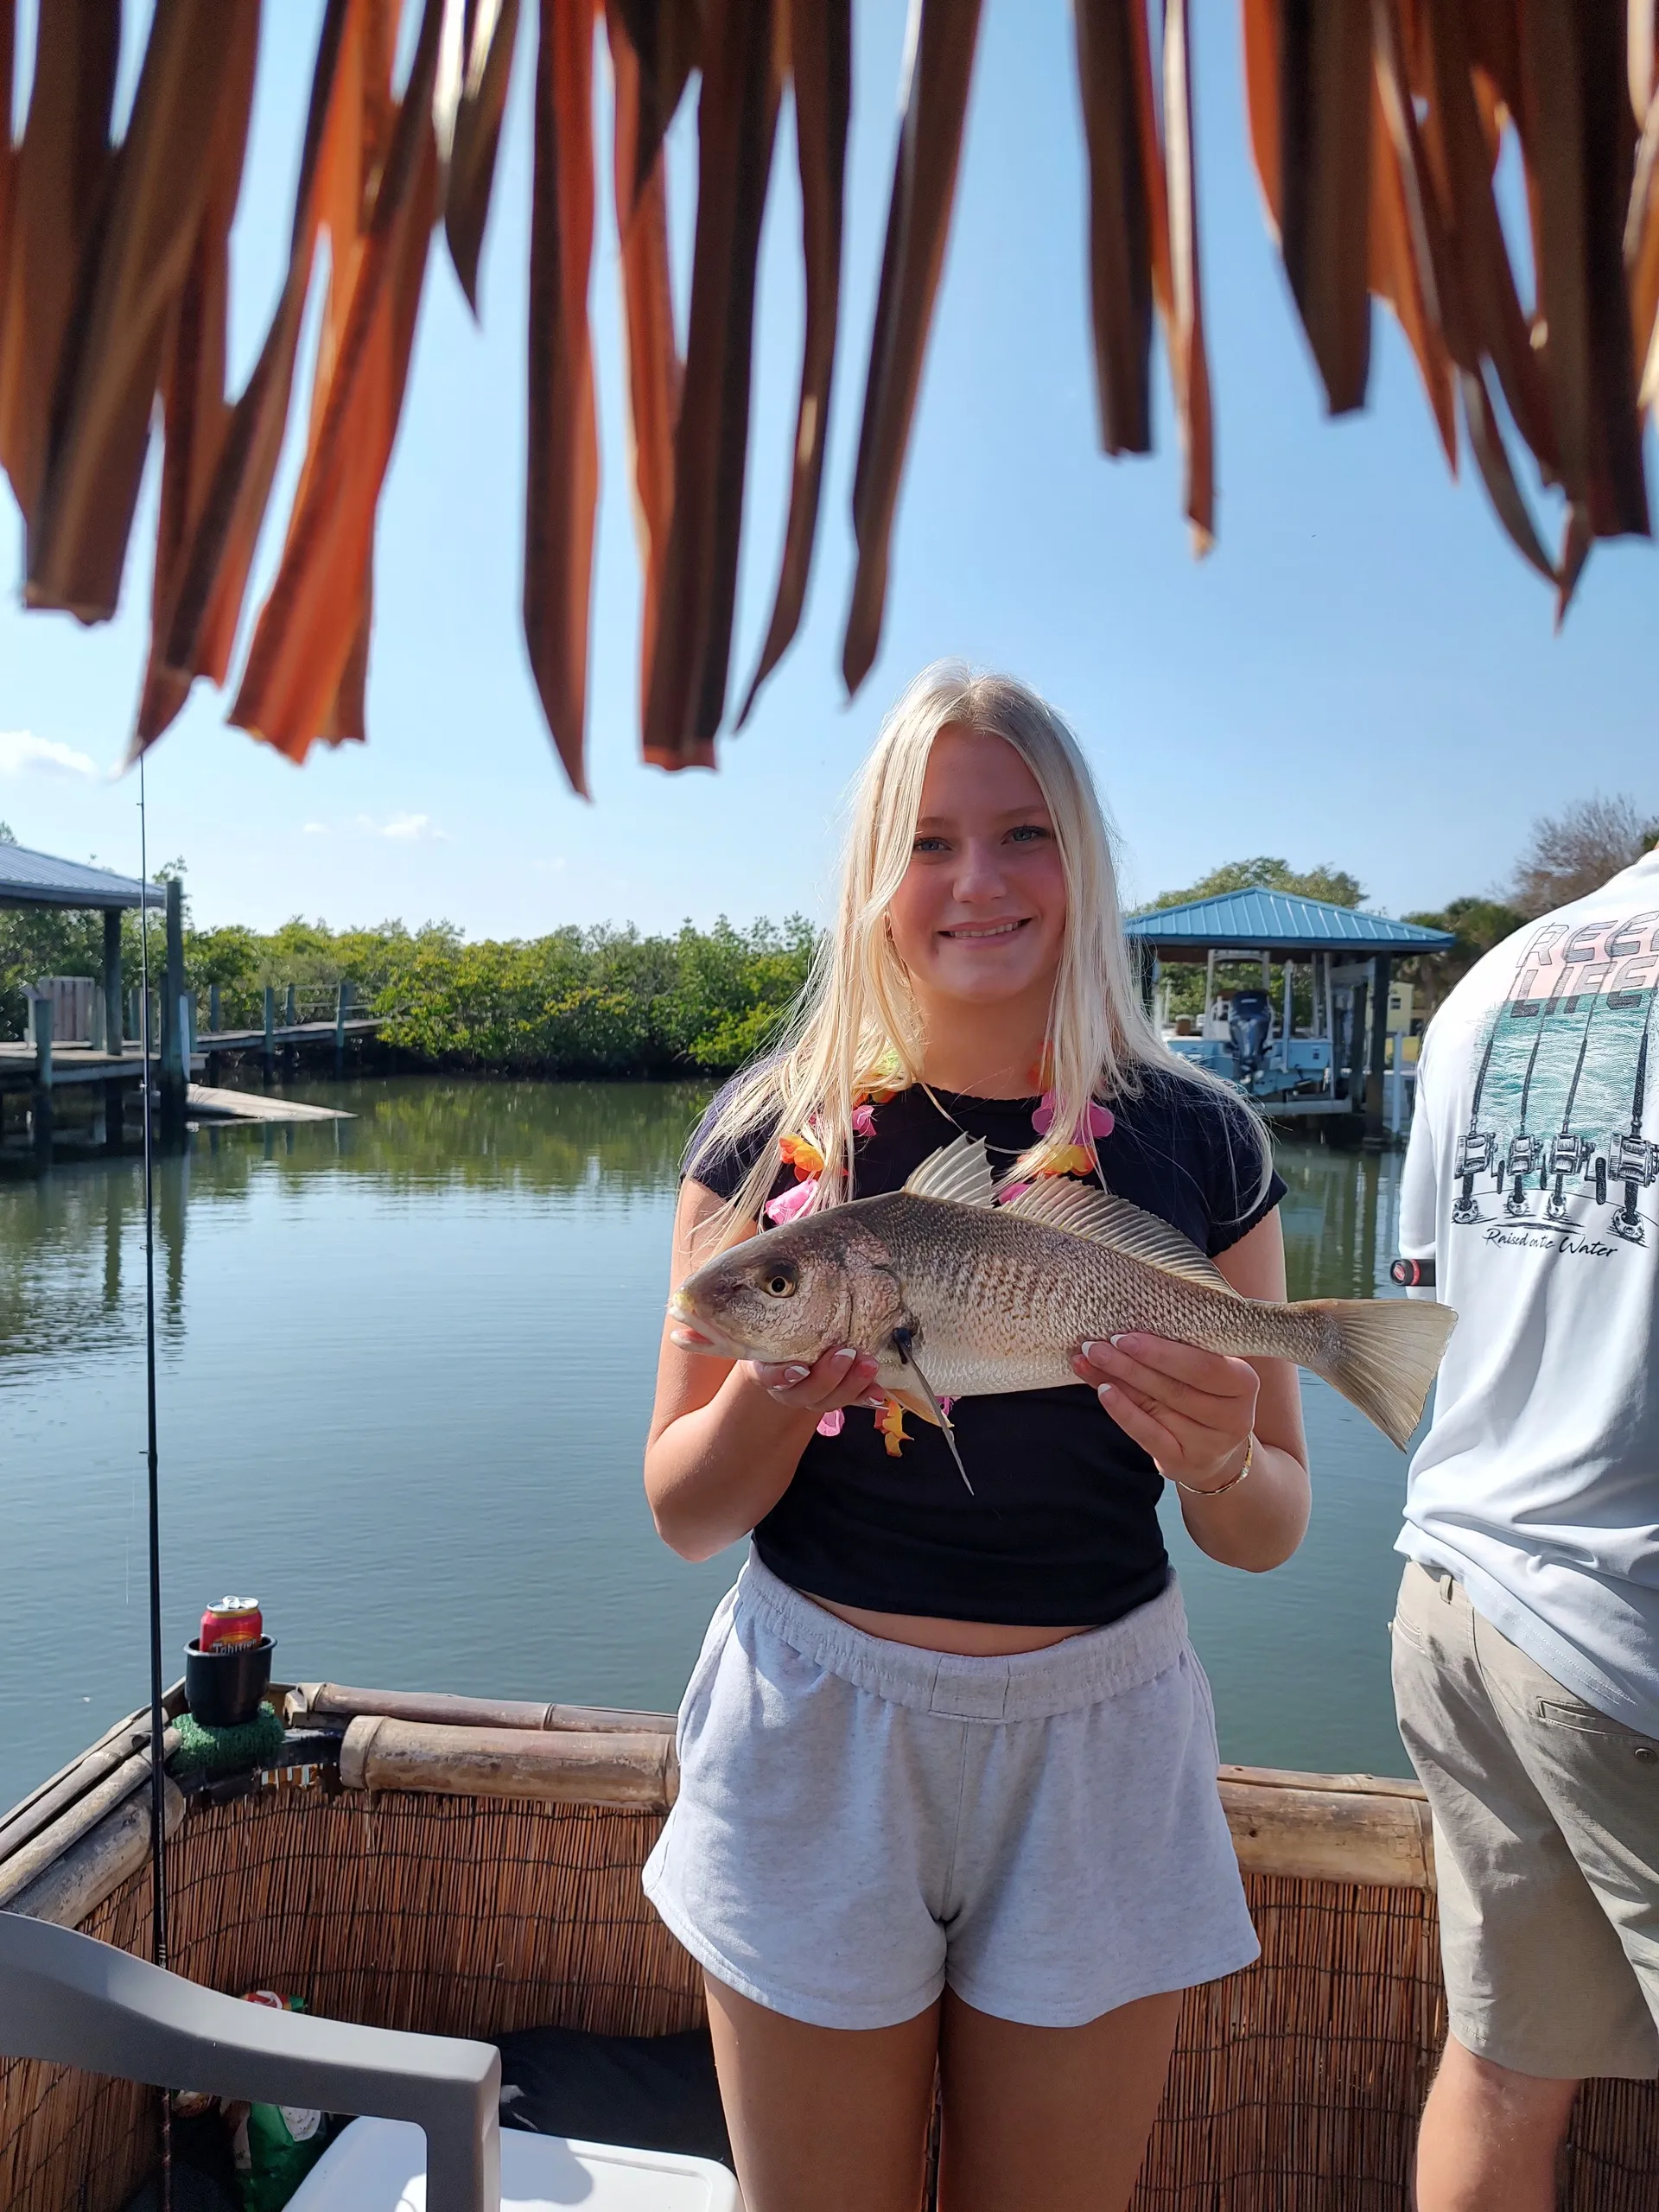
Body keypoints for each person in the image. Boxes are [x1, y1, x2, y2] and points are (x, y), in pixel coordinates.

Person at [640, 664, 1313, 2211]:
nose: (978, 883)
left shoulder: (1203, 1138)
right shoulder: (767, 1137)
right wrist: (775, 1385)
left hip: (1101, 1743)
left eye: (1024, 834)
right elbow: (682, 1511)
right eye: (928, 842)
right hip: (816, 1732)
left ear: (1085, 858)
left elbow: (1268, 1527)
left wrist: (1217, 1455)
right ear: (871, 874)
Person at [1393, 843, 1659, 2212]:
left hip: (1456, 1589)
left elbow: (1431, 1296)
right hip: (1630, 1621)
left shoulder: (1498, 982)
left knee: (1502, 2068)